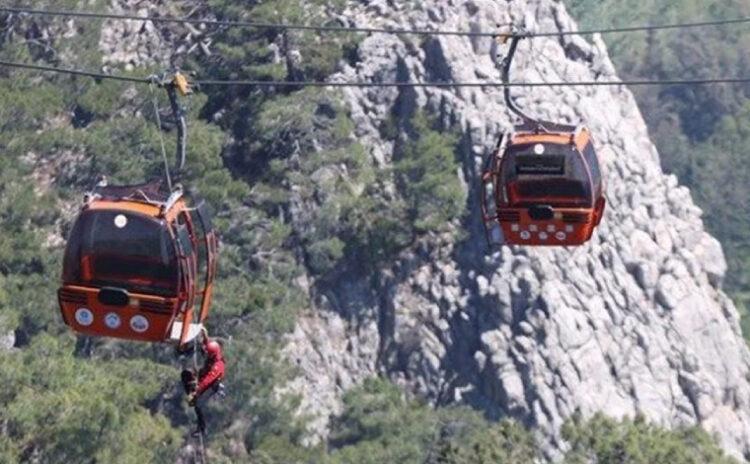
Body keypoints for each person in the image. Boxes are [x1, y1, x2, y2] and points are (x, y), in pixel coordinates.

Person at [182, 330, 226, 437]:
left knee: (199, 404)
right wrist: (205, 335)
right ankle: (191, 396)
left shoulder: (218, 366)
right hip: (203, 379)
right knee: (186, 373)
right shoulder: (214, 352)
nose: (205, 355)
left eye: (207, 354)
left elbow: (208, 381)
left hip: (211, 386)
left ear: (212, 354)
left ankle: (202, 429)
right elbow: (208, 345)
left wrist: (196, 392)